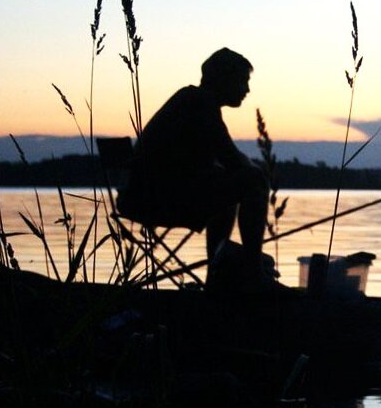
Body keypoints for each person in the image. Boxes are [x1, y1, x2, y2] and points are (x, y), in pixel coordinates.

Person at [116, 48, 271, 286]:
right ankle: (253, 270)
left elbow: (221, 161)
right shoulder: (201, 103)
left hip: (144, 194)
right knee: (252, 181)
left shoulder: (192, 100)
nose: (247, 90)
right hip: (152, 199)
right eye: (243, 81)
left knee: (227, 193)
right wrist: (258, 173)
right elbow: (230, 157)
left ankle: (216, 275)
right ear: (224, 78)